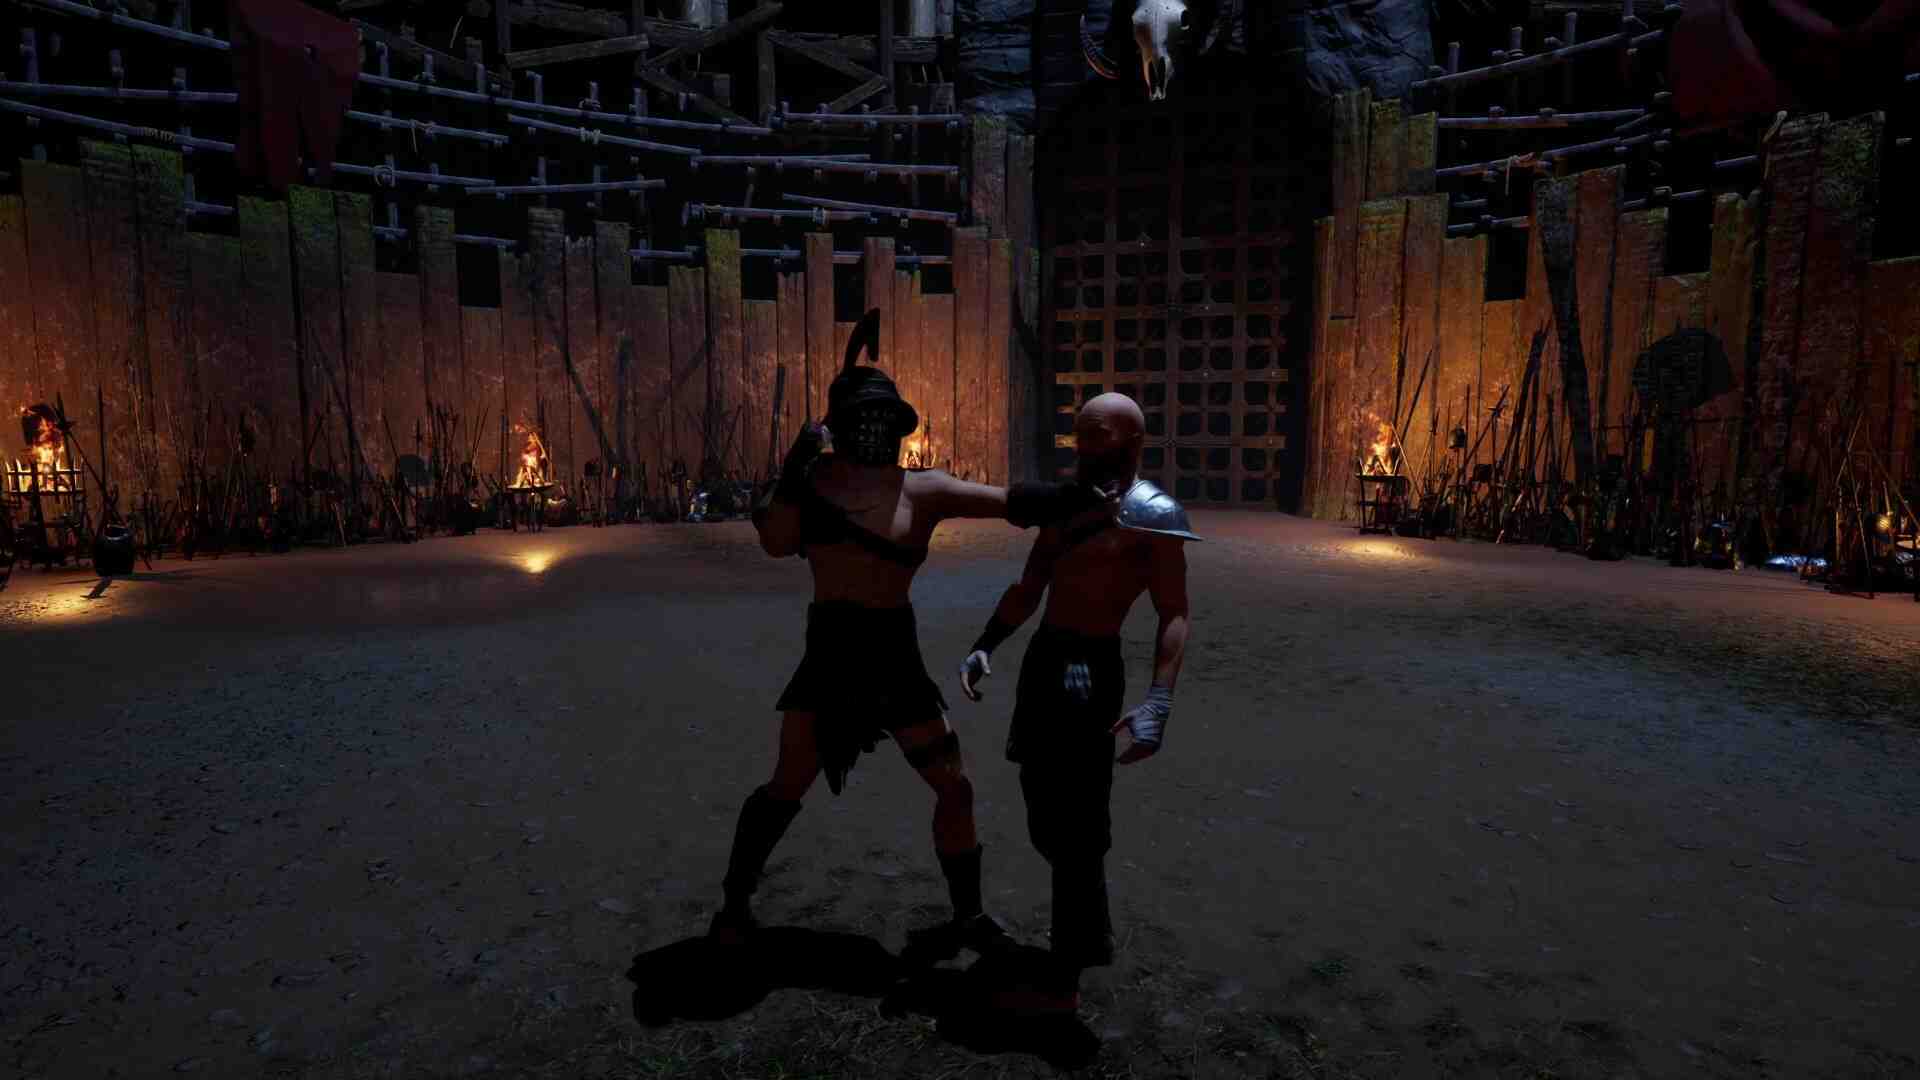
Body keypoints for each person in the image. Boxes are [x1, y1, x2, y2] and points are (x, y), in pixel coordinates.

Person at [710, 308, 1099, 958]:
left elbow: (1010, 501)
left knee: (953, 784)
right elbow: (777, 541)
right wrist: (792, 468)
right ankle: (733, 904)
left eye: (882, 419)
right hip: (832, 654)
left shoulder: (922, 490)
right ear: (841, 426)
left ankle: (968, 915)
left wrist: (1077, 497)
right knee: (786, 784)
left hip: (894, 655)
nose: (873, 429)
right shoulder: (811, 485)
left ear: (896, 427)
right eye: (863, 418)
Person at [955, 392, 1198, 1013]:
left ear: (1133, 444)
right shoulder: (1065, 507)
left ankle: (1069, 962)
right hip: (1045, 660)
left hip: (1089, 668)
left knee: (1079, 814)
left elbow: (1174, 611)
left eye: (1102, 439)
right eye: (1083, 439)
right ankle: (1082, 924)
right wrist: (986, 643)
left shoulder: (1154, 516)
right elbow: (1029, 586)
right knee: (1042, 799)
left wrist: (1159, 701)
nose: (1089, 450)